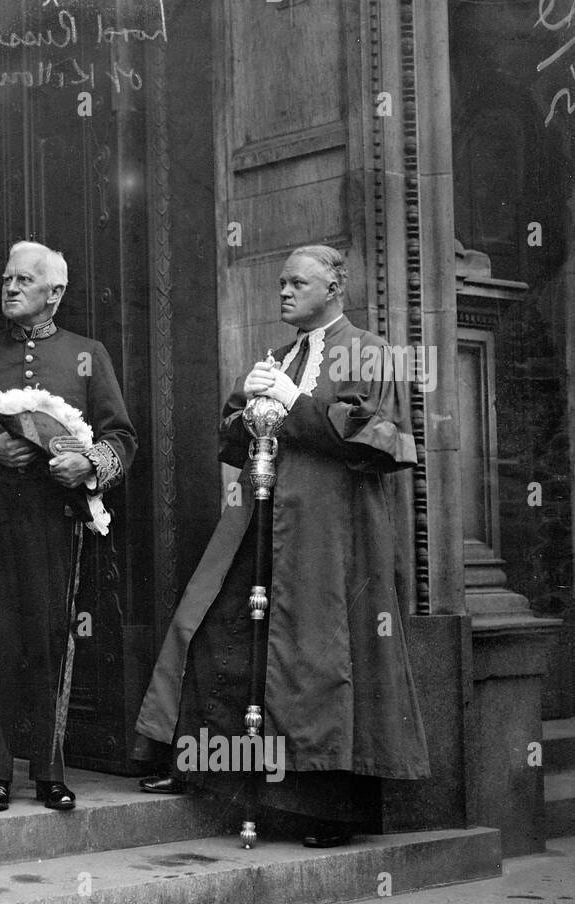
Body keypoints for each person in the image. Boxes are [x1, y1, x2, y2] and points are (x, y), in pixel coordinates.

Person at [135, 244, 429, 847]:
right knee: (220, 625)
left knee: (321, 655)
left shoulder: (371, 352)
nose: (284, 293)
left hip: (332, 533)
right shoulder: (278, 355)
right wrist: (249, 407)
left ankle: (326, 810)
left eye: (298, 283)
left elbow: (375, 440)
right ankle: (216, 772)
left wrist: (291, 401)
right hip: (261, 522)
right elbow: (233, 437)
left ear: (334, 288)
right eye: (280, 283)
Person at [0, 242, 137, 813]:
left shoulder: (86, 354)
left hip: (56, 522)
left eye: (24, 280)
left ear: (56, 293)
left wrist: (89, 464)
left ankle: (49, 771)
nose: (11, 288)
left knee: (50, 641)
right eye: (6, 279)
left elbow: (121, 437)